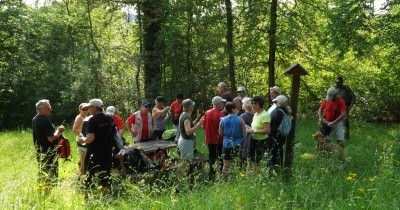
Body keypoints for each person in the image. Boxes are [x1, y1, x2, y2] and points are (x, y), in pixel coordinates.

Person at [80, 99, 114, 188]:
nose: (88, 110)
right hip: (107, 151)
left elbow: (90, 138)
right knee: (106, 173)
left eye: (89, 108)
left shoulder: (92, 120)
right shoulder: (109, 118)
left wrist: (83, 139)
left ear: (95, 108)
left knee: (90, 173)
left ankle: (88, 192)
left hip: (94, 153)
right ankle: (106, 191)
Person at [32, 99, 65, 188]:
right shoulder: (45, 121)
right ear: (41, 109)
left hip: (40, 151)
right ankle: (48, 194)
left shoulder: (35, 119)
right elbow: (51, 138)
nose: (50, 109)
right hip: (48, 152)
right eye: (48, 108)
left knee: (43, 171)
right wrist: (59, 130)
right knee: (51, 174)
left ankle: (42, 191)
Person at [219, 102, 246, 179]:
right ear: (233, 109)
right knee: (238, 163)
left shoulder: (223, 120)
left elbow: (220, 133)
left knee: (226, 165)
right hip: (238, 144)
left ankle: (224, 180)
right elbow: (244, 133)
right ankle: (237, 179)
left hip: (226, 144)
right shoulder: (240, 119)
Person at [203, 96, 226, 181]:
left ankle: (211, 176)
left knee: (211, 157)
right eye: (222, 103)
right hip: (218, 140)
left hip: (209, 139)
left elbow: (203, 125)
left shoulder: (207, 112)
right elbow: (222, 129)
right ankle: (221, 175)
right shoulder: (221, 115)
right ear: (217, 104)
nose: (223, 104)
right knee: (220, 158)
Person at [247, 96, 271, 174]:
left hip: (261, 141)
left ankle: (258, 178)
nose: (251, 105)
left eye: (252, 103)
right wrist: (250, 129)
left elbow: (267, 130)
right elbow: (253, 126)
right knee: (250, 159)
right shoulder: (255, 114)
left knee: (257, 161)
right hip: (253, 139)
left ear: (257, 104)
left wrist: (255, 131)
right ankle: (249, 176)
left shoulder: (265, 115)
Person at [269, 95, 290, 173]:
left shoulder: (277, 112)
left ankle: (272, 172)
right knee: (279, 152)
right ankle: (279, 169)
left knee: (273, 155)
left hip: (274, 136)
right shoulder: (286, 111)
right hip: (282, 136)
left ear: (280, 102)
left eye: (276, 102)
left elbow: (270, 122)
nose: (275, 103)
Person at [73, 103, 90, 178]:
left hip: (85, 140)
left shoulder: (87, 117)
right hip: (81, 141)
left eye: (87, 109)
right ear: (80, 110)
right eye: (83, 109)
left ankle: (82, 173)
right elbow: (75, 129)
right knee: (83, 159)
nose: (85, 111)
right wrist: (82, 137)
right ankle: (82, 176)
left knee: (84, 158)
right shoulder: (80, 117)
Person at [240, 97, 254, 165]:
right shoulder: (256, 115)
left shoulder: (242, 116)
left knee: (246, 156)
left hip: (246, 137)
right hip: (255, 136)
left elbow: (242, 129)